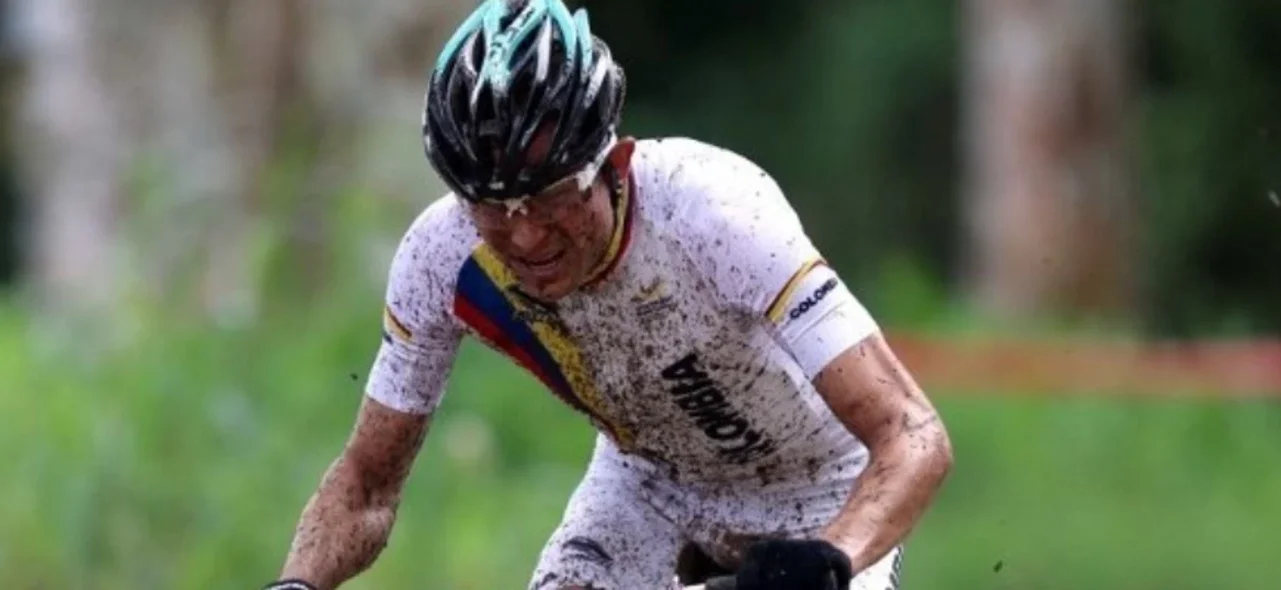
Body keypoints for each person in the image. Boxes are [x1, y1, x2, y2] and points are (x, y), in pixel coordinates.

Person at [263, 0, 954, 589]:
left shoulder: (717, 213)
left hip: (818, 492)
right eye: (489, 205)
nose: (524, 234)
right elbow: (367, 485)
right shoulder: (440, 257)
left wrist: (831, 556)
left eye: (550, 197)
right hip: (649, 485)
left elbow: (912, 434)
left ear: (615, 164)